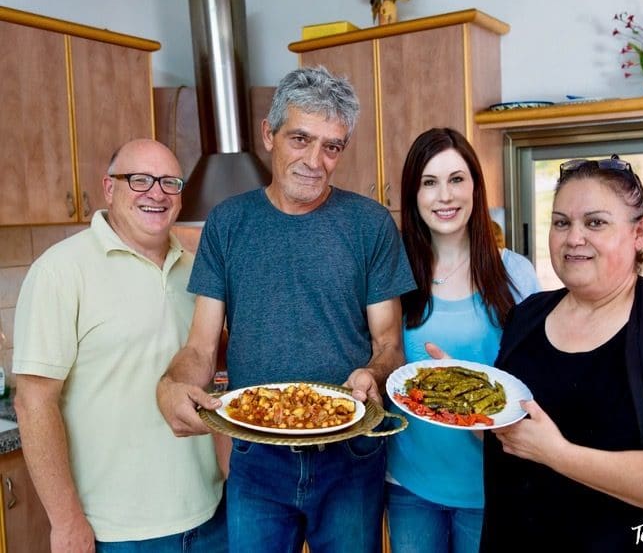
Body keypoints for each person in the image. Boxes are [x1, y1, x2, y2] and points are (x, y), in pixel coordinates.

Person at [155, 65, 416, 553]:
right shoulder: (227, 224)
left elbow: (389, 344)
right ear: (268, 135)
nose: (314, 160)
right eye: (300, 138)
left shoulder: (371, 225)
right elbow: (201, 346)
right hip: (255, 455)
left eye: (331, 146)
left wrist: (374, 374)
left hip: (352, 454)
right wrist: (173, 384)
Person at [479, 155, 643, 551]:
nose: (574, 237)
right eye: (562, 222)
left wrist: (557, 453)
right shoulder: (528, 315)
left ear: (640, 233)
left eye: (595, 222)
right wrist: (464, 400)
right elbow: (514, 436)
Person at [12, 139, 226, 552]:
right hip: (116, 532)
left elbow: (215, 373)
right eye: (140, 179)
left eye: (170, 182)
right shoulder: (60, 271)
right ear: (109, 188)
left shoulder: (196, 271)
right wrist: (66, 522)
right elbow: (33, 403)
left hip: (211, 514)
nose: (157, 193)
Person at [386, 127, 540, 553]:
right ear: (413, 194)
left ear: (476, 185)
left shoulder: (516, 274)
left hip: (492, 488)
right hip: (409, 487)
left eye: (457, 179)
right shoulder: (392, 274)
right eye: (429, 183)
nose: (445, 196)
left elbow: (538, 380)